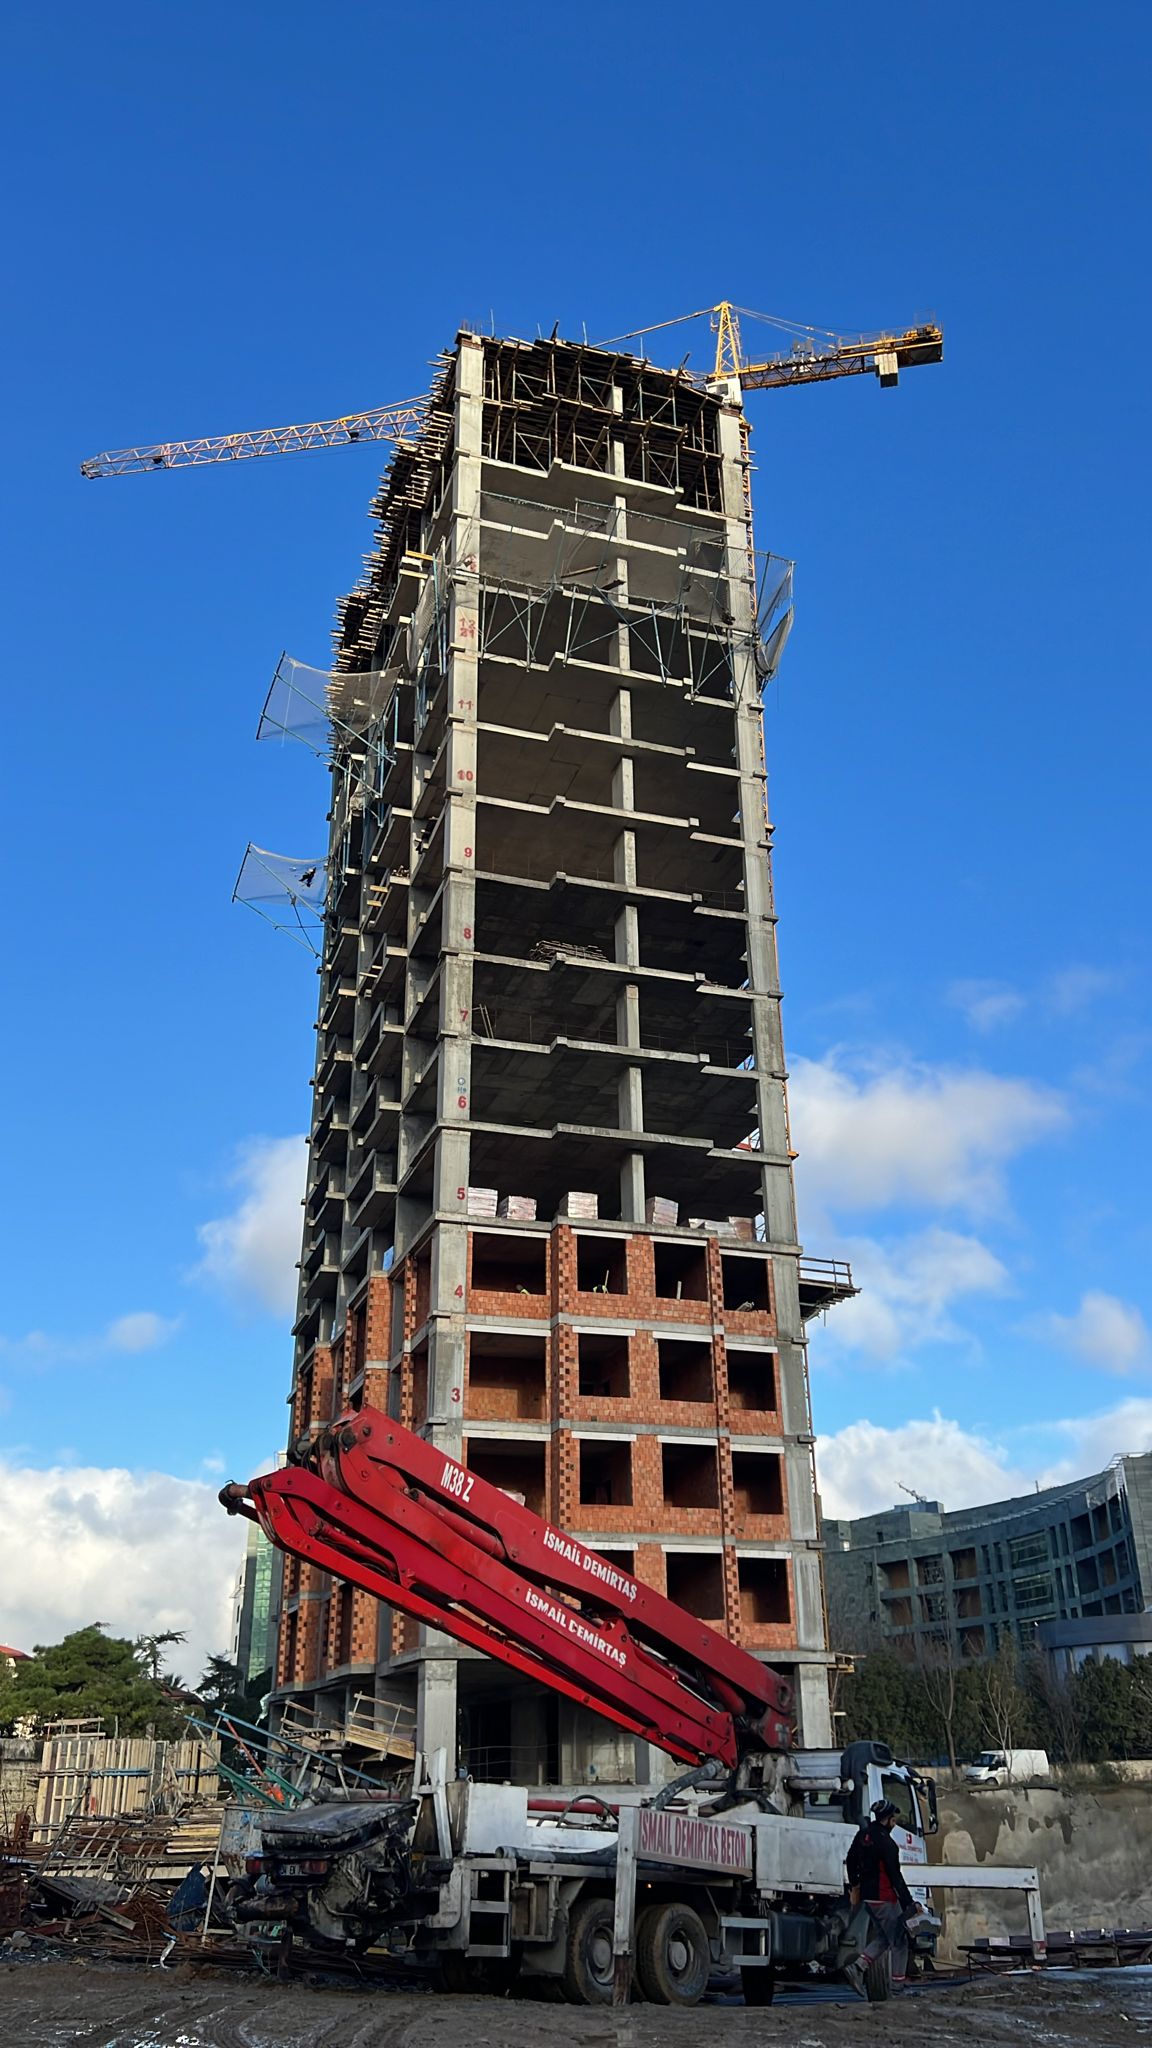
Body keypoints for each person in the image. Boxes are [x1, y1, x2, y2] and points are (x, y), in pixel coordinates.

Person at [844, 1797, 922, 1994]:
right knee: (899, 1940)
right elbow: (895, 1877)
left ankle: (858, 1966)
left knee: (885, 1937)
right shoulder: (888, 1844)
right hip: (884, 1897)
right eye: (894, 1819)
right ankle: (898, 1987)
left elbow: (851, 1860)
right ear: (889, 1819)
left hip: (868, 1897)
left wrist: (855, 1886)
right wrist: (910, 1904)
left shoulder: (863, 1835)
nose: (895, 1822)